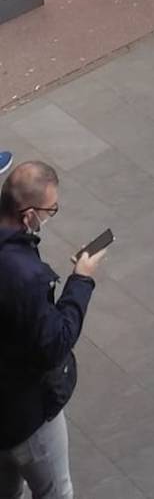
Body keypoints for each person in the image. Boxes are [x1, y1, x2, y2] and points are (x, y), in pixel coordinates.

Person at [0, 160, 106, 499]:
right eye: (50, 210)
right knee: (56, 491)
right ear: (29, 214)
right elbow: (54, 343)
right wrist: (81, 280)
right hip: (24, 414)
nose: (49, 216)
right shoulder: (23, 276)